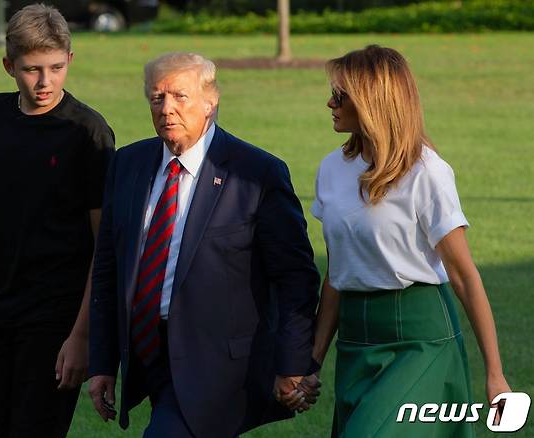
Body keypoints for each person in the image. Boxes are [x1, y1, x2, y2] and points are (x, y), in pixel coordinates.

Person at [87, 52, 321, 438]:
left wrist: (293, 364)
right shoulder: (128, 164)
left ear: (211, 102)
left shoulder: (256, 172)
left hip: (219, 365)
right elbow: (109, 267)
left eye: (180, 96)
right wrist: (102, 363)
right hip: (149, 353)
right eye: (157, 98)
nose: (167, 109)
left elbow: (295, 276)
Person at [297, 45, 511, 436]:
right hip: (356, 340)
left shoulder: (427, 173)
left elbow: (464, 277)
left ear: (372, 101)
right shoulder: (331, 169)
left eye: (340, 95)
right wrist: (312, 362)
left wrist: (495, 376)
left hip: (420, 340)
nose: (330, 102)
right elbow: (338, 275)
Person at [0, 4, 115, 437]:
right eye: (32, 69)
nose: (45, 82)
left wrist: (81, 335)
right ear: (8, 66)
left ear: (70, 60)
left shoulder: (88, 133)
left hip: (56, 321)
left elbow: (105, 244)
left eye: (56, 68)